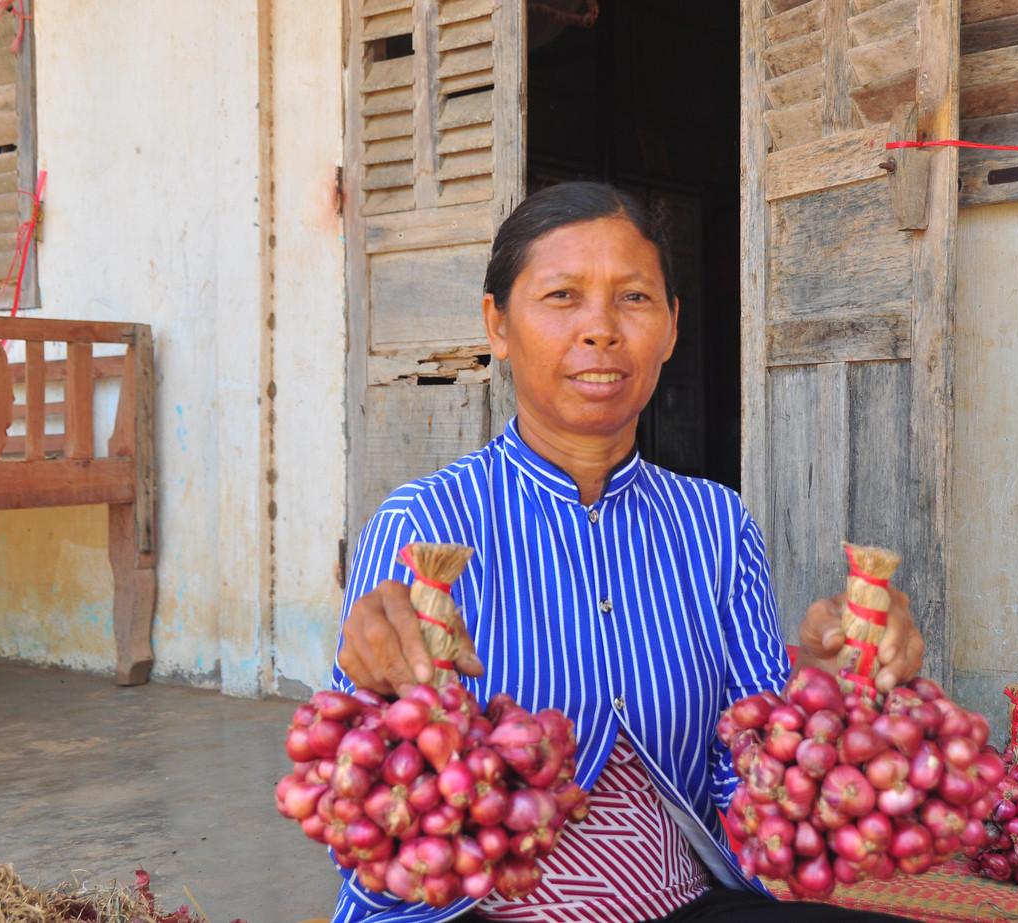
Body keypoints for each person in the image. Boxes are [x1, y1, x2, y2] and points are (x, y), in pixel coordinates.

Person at [332, 182, 926, 923]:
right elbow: (354, 808)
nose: (601, 330)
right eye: (561, 296)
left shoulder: (714, 522)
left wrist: (828, 689)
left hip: (683, 903)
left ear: (672, 327)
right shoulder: (426, 524)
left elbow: (755, 781)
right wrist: (379, 689)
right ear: (498, 323)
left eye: (635, 299)